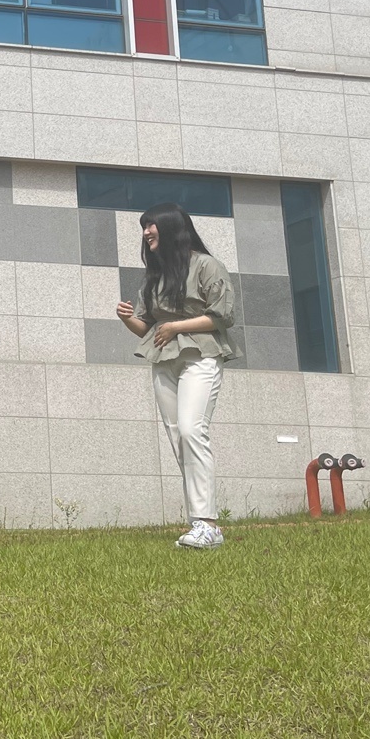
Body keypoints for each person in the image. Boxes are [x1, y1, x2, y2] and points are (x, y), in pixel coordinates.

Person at [115, 201, 236, 550]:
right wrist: (126, 318)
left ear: (171, 227)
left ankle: (208, 525)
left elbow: (222, 316)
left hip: (201, 356)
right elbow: (147, 328)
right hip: (164, 360)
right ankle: (199, 523)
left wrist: (176, 327)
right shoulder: (155, 275)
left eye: (150, 225)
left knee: (191, 429)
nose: (145, 232)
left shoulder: (207, 265)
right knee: (178, 438)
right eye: (143, 227)